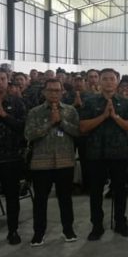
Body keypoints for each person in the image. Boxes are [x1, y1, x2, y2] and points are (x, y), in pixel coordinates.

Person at [80, 68, 128, 240]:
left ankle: (120, 222)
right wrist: (104, 116)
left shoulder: (125, 103)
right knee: (96, 192)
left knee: (120, 191)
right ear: (99, 81)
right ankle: (97, 225)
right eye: (105, 79)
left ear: (117, 82)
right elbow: (83, 127)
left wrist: (115, 117)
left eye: (112, 79)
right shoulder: (90, 102)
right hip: (96, 153)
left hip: (119, 153)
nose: (109, 82)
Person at [24, 78, 80, 246]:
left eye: (57, 90)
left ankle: (68, 230)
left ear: (62, 92)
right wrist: (50, 123)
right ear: (44, 92)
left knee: (65, 198)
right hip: (41, 163)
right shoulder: (35, 112)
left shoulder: (70, 111)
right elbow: (29, 134)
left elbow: (77, 132)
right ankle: (38, 233)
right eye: (50, 90)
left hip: (65, 161)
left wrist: (61, 122)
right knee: (40, 200)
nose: (54, 93)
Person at [0, 68, 27, 247]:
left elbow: (23, 127)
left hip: (10, 158)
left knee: (12, 198)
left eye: (2, 79)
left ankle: (13, 231)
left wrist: (5, 116)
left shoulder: (17, 103)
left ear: (7, 80)